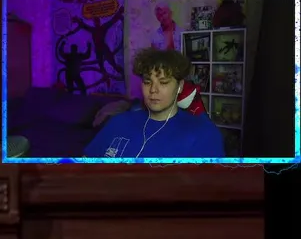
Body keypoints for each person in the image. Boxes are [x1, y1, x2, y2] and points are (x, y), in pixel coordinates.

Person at [83, 48, 224, 159]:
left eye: (163, 82)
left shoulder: (203, 133)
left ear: (180, 86)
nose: (153, 90)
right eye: (147, 82)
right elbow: (83, 167)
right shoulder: (118, 122)